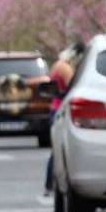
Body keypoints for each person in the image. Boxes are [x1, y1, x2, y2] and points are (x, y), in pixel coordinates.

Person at [43, 43, 78, 195]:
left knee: (56, 149)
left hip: (54, 107)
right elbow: (73, 87)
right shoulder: (65, 68)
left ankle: (50, 184)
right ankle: (51, 183)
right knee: (59, 149)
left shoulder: (57, 65)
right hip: (61, 108)